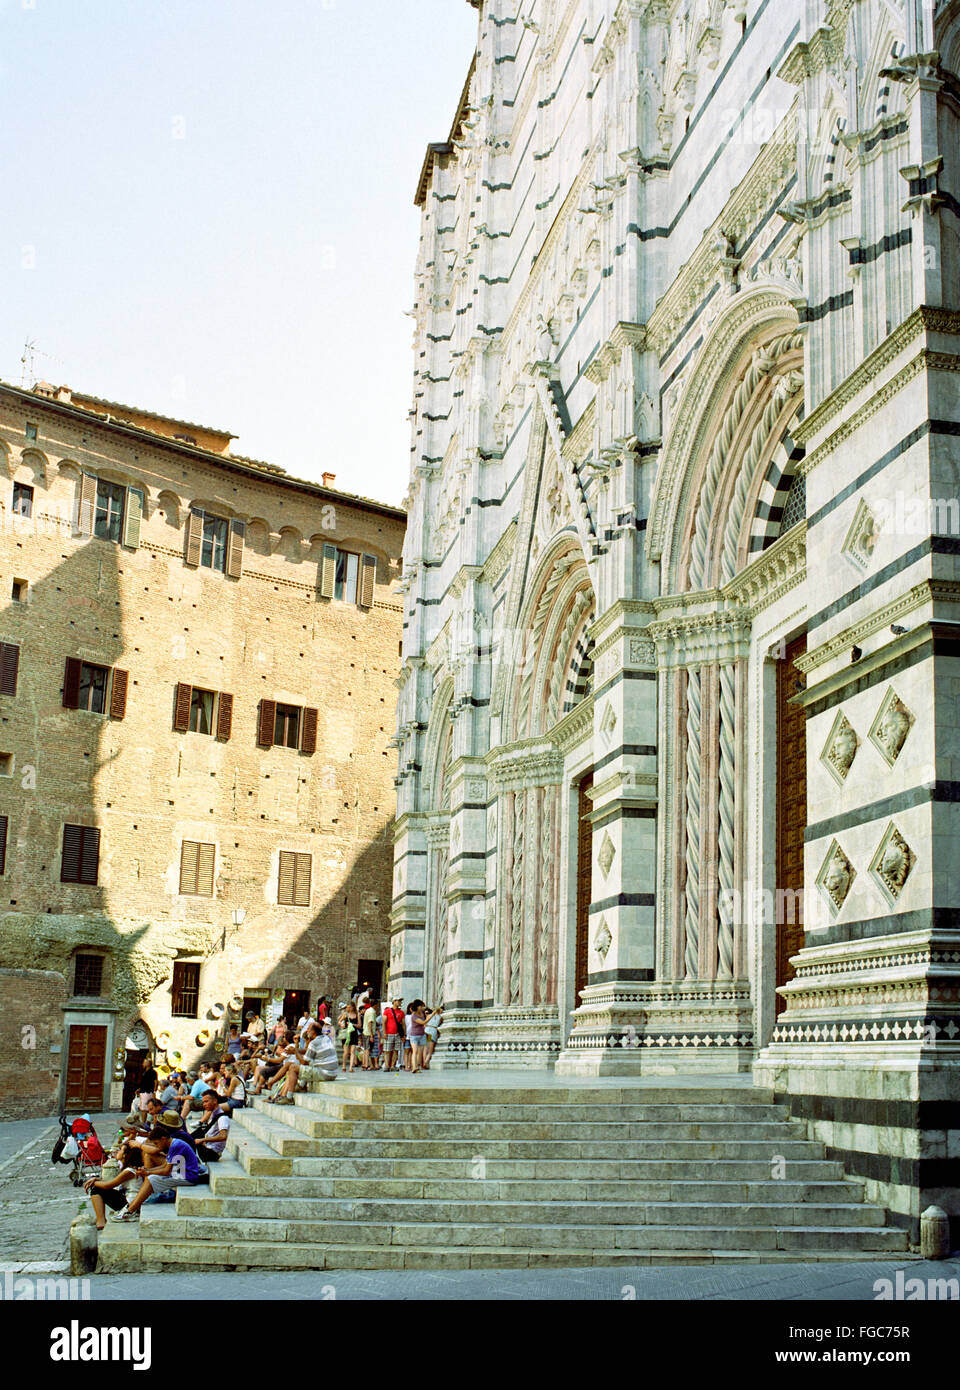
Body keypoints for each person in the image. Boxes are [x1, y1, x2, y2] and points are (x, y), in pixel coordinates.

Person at [103, 1123, 203, 1222]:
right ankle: (132, 1208)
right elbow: (165, 1166)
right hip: (181, 1172)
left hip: (188, 1176)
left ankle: (130, 1211)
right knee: (151, 1177)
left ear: (163, 1139)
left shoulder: (176, 1146)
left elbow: (166, 1171)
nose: (157, 1146)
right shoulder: (174, 1144)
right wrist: (147, 1171)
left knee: (152, 1179)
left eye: (156, 1143)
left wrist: (148, 1173)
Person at [190, 1090, 231, 1163]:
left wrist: (203, 1140)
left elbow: (223, 1136)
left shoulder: (223, 1118)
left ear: (215, 1101)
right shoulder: (213, 1113)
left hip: (212, 1153)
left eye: (206, 1101)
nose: (204, 1104)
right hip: (207, 1147)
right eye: (203, 1102)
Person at [406, 1000, 439, 1075]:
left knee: (420, 1052)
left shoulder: (422, 1013)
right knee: (415, 1051)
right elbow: (423, 1022)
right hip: (414, 1035)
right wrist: (433, 1014)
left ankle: (417, 1067)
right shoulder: (413, 1016)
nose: (422, 1008)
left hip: (422, 1034)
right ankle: (413, 1067)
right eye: (420, 1006)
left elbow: (425, 1021)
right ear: (417, 1007)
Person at [381, 998, 405, 1074]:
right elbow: (384, 1022)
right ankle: (387, 1065)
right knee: (387, 1050)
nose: (400, 1002)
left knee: (396, 1050)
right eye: (398, 1001)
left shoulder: (401, 1012)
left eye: (400, 1001)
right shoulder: (387, 1011)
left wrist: (404, 1034)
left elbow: (403, 1024)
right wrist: (384, 1032)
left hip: (397, 1034)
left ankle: (392, 1065)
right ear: (394, 1002)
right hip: (389, 1033)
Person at [338, 1000, 361, 1071]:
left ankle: (351, 1067)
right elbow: (339, 1021)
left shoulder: (357, 1015)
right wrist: (341, 1024)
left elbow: (360, 1025)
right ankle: (344, 1066)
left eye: (349, 1007)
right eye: (347, 1007)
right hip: (347, 1034)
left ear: (353, 1007)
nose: (348, 1008)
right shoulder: (346, 1014)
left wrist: (353, 1024)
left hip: (354, 1033)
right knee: (346, 1052)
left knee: (353, 1051)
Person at [361, 996, 379, 1070]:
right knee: (368, 1049)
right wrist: (371, 1035)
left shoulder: (368, 1010)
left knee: (366, 1049)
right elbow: (370, 1023)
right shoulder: (372, 1012)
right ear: (375, 1005)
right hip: (369, 1033)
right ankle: (366, 1064)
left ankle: (365, 1063)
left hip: (365, 1031)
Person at [423, 1005, 444, 1070]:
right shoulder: (440, 1017)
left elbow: (424, 1023)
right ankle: (426, 1062)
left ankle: (424, 1061)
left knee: (425, 1048)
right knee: (430, 1050)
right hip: (433, 1031)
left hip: (426, 1030)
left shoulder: (428, 1015)